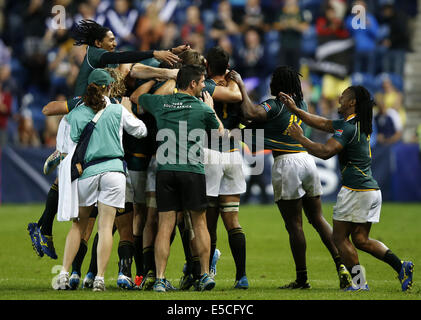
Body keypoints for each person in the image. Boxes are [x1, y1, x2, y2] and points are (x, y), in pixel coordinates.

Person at [278, 85, 414, 291]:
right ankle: (401, 266)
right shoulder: (354, 124)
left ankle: (360, 284)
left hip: (355, 191)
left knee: (339, 237)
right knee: (361, 239)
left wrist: (301, 138)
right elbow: (322, 122)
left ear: (352, 103)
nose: (339, 99)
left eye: (343, 97)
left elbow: (325, 151)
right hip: (370, 190)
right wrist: (296, 111)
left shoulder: (347, 128)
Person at [228, 66, 346, 289]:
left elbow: (251, 114)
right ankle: (342, 265)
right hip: (306, 159)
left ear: (278, 84)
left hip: (287, 164)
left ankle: (302, 278)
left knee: (294, 225)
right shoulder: (299, 104)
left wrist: (242, 87)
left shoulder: (274, 104)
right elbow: (264, 124)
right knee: (318, 219)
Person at [53, 68, 148, 291]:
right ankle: (100, 279)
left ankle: (65, 274)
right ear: (108, 87)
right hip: (114, 171)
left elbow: (69, 146)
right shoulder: (117, 110)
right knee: (106, 227)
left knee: (78, 226)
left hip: (87, 172)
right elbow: (141, 131)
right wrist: (128, 111)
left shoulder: (76, 114)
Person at [137, 64, 223, 292]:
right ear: (193, 84)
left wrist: (161, 76)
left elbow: (139, 98)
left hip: (165, 172)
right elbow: (220, 132)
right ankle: (205, 274)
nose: (205, 85)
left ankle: (160, 279)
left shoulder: (161, 103)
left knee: (165, 226)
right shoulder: (203, 108)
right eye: (202, 81)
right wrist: (211, 108)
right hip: (192, 171)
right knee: (199, 223)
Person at [201, 46, 248, 289]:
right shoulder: (235, 87)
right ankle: (241, 276)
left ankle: (207, 271)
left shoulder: (203, 86)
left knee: (209, 222)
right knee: (233, 220)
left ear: (207, 65)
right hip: (232, 153)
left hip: (210, 154)